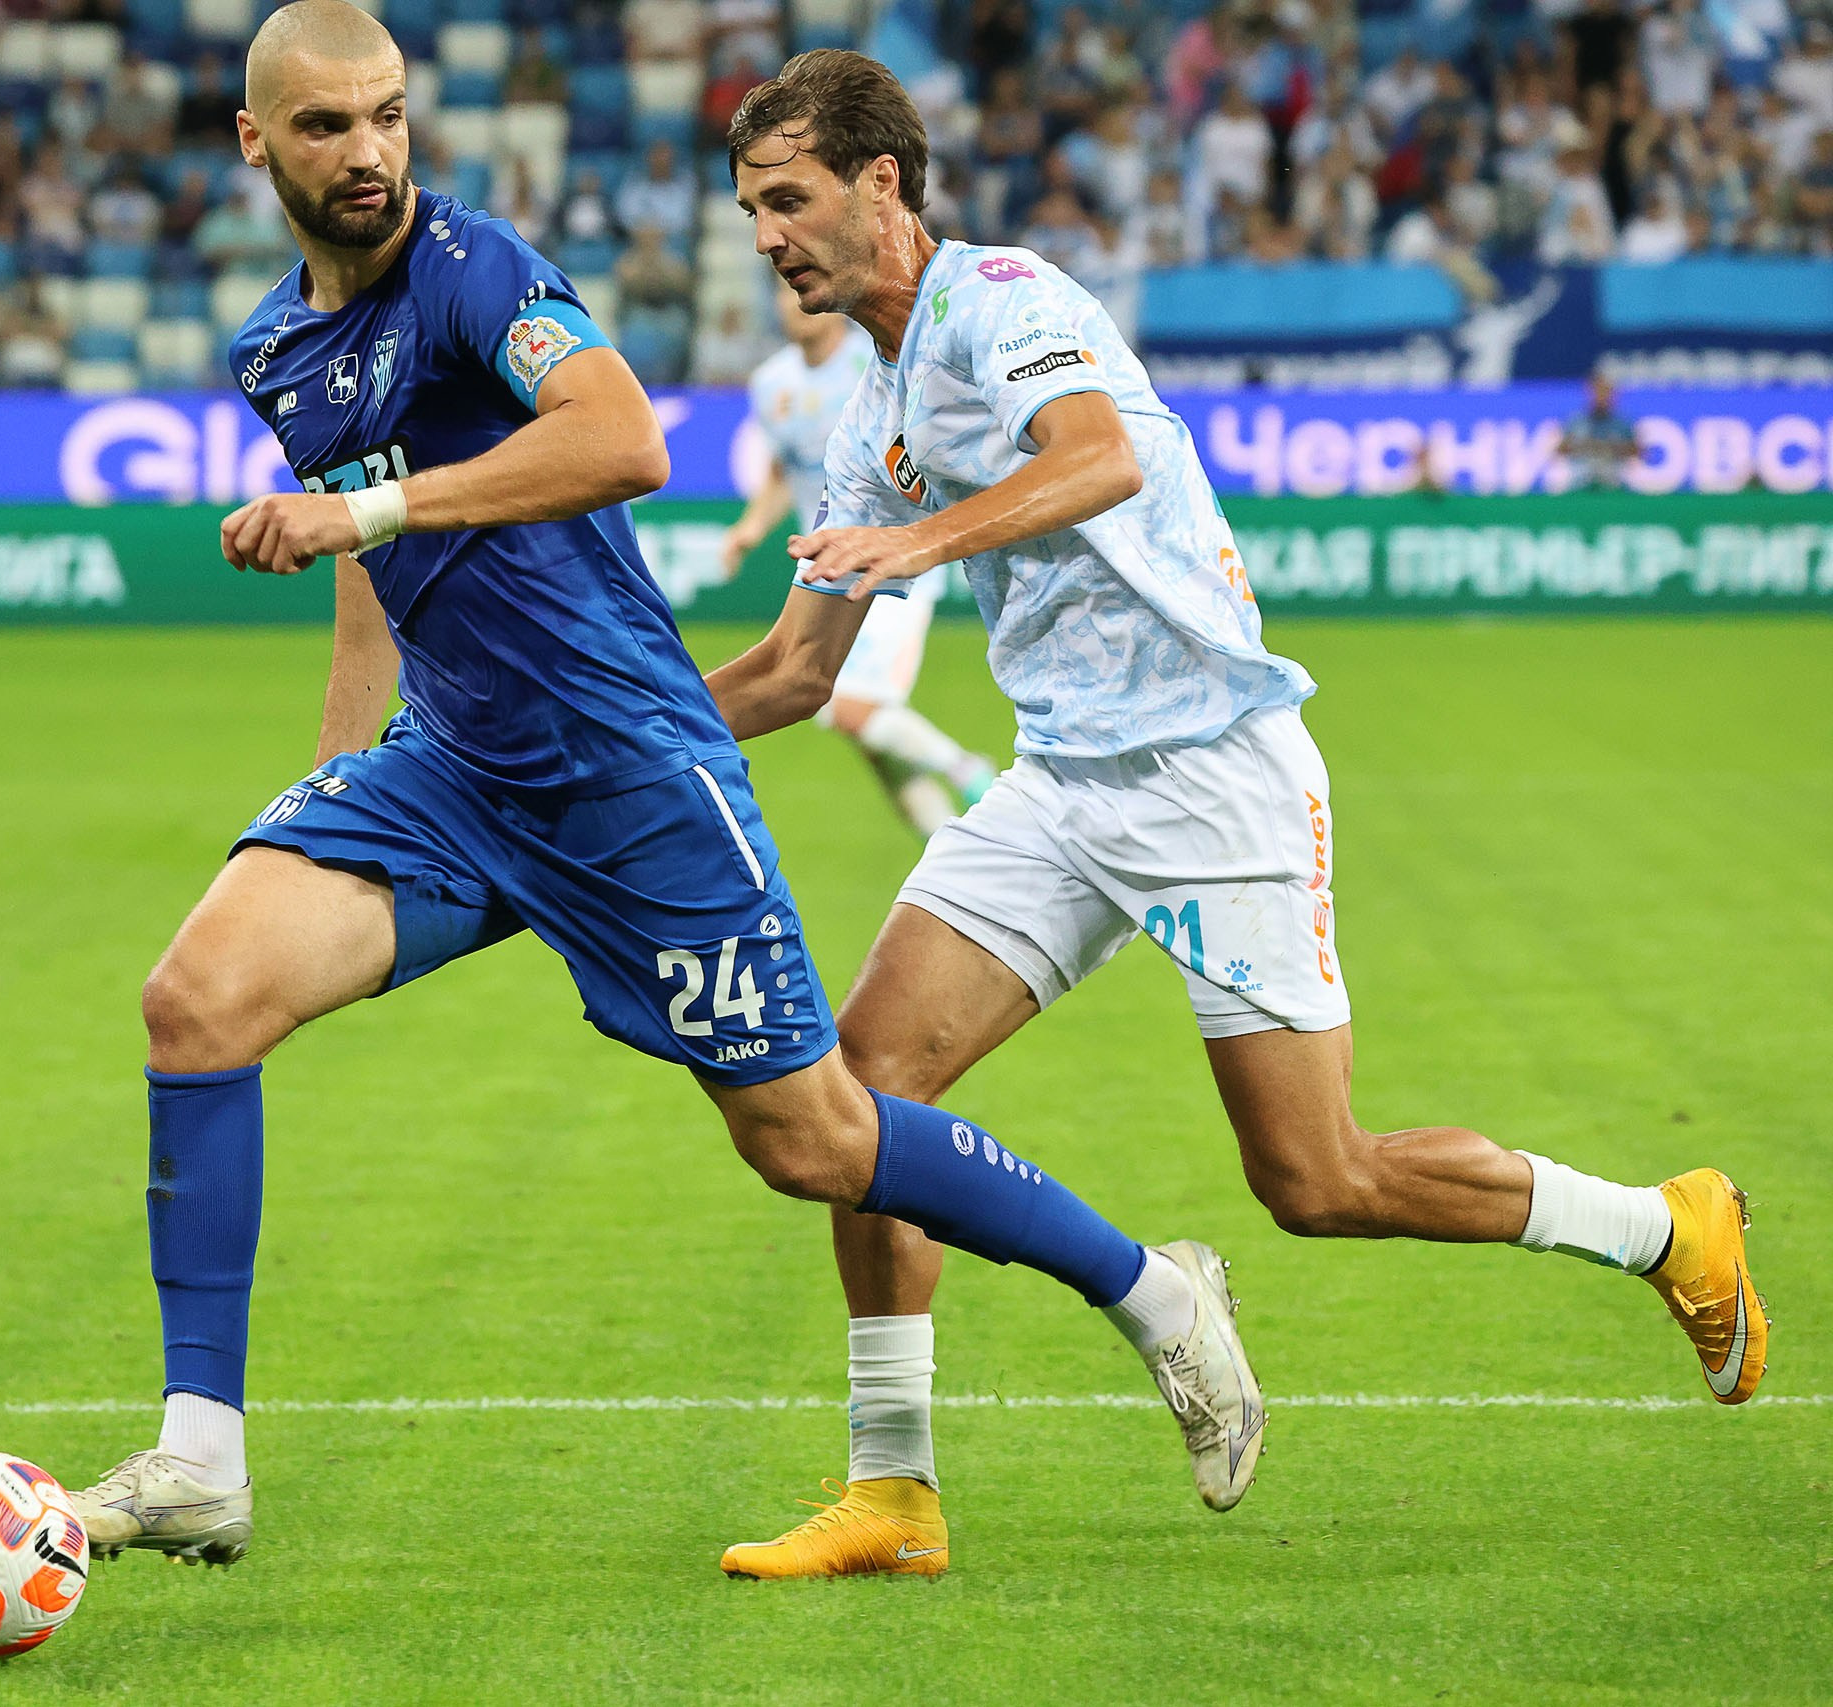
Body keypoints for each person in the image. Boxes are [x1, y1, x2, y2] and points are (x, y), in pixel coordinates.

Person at [61, 0, 1264, 1579]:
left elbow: (622, 438)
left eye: (389, 115)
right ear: (254, 141)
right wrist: (340, 761)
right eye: (326, 126)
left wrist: (374, 513)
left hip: (628, 774)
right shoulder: (276, 349)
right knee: (197, 998)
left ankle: (1157, 1292)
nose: (368, 152)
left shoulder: (475, 271)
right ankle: (201, 1454)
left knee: (813, 1140)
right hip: (449, 769)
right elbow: (371, 561)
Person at [704, 50, 1770, 1578]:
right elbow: (797, 671)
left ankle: (1667, 1226)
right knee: (862, 1087)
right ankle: (894, 1486)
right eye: (750, 209)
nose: (765, 236)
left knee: (1317, 1179)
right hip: (1063, 778)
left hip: (1214, 770)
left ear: (881, 183)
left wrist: (918, 543)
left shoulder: (1005, 298)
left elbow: (1095, 457)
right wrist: (599, 732)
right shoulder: (871, 403)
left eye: (787, 199)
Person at [721, 283, 996, 835]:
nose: (790, 304)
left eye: (794, 291)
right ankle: (947, 849)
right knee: (872, 740)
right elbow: (784, 469)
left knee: (846, 707)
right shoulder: (771, 383)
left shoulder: (871, 367)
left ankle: (967, 770)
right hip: (828, 568)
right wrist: (750, 527)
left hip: (889, 560)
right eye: (778, 295)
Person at [1559, 375, 1638, 489]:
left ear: (1612, 395)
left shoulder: (1622, 423)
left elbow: (1637, 451)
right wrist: (1585, 446)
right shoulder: (1576, 421)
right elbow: (1560, 449)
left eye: (1605, 392)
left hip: (1612, 473)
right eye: (1598, 392)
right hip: (1581, 474)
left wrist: (1611, 447)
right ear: (1590, 393)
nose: (1601, 397)